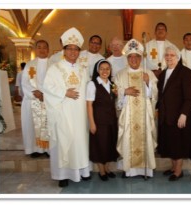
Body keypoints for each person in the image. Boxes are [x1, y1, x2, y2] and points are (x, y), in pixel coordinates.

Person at [43, 27, 92, 187]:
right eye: (69, 49)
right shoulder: (54, 68)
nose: (72, 52)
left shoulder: (83, 70)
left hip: (80, 114)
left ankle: (83, 171)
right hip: (62, 113)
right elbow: (48, 88)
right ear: (64, 50)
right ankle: (62, 174)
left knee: (80, 141)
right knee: (64, 141)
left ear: (79, 51)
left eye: (76, 49)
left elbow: (88, 91)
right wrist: (65, 92)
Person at [114, 38, 158, 178]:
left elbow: (154, 96)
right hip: (128, 115)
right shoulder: (120, 74)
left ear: (141, 58)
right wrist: (124, 92)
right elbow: (116, 96)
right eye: (131, 57)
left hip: (144, 114)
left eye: (137, 56)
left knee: (145, 138)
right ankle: (129, 170)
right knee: (128, 138)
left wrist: (148, 83)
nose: (134, 59)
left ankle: (146, 169)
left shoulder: (148, 74)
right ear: (127, 58)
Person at [157, 45, 191, 181]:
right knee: (170, 143)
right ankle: (173, 167)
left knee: (178, 144)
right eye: (167, 55)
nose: (169, 57)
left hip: (179, 116)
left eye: (172, 55)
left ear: (178, 57)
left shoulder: (185, 72)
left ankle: (178, 171)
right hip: (165, 116)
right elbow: (160, 95)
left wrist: (184, 114)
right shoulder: (162, 74)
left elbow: (189, 96)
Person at [86, 59, 119, 181]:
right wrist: (92, 123)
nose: (105, 71)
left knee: (110, 144)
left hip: (111, 120)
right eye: (102, 68)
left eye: (107, 69)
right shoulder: (92, 84)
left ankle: (107, 168)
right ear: (97, 70)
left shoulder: (112, 84)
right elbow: (89, 105)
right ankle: (102, 171)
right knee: (100, 146)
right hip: (99, 121)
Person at [21, 40, 50, 158]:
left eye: (44, 47)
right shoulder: (29, 65)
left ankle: (48, 149)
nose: (42, 49)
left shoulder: (53, 64)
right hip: (32, 100)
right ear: (35, 49)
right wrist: (35, 93)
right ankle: (34, 149)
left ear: (48, 49)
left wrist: (45, 95)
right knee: (31, 126)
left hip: (48, 101)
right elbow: (24, 83)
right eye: (39, 47)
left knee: (48, 125)